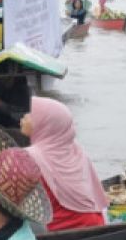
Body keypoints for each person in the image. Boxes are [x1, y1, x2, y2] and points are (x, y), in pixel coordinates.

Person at [21, 97, 107, 230]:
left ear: (44, 123)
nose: (24, 117)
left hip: (60, 231)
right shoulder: (77, 151)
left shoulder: (29, 156)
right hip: (96, 223)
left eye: (30, 114)